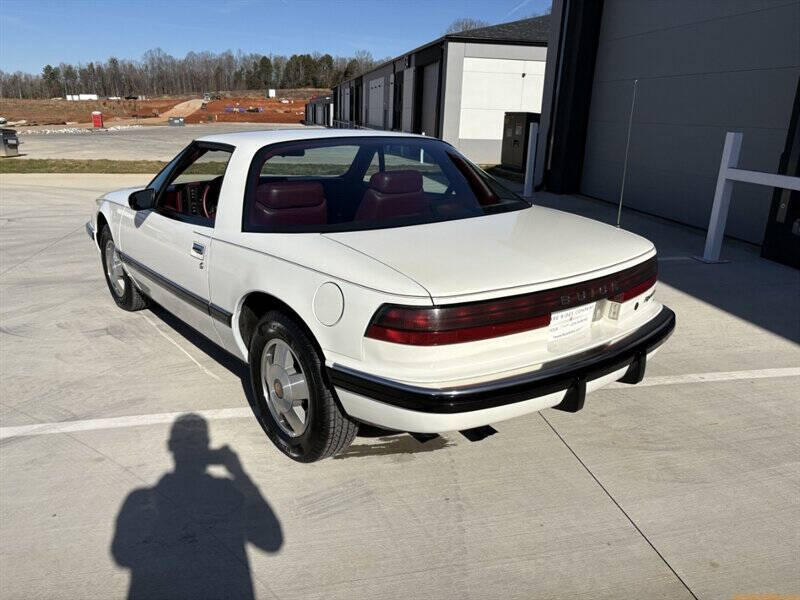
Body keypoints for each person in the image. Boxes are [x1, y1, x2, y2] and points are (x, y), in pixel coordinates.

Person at [111, 414, 282, 599]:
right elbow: (122, 555)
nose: (189, 447)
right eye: (183, 440)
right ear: (171, 446)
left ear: (207, 447)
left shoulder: (228, 490)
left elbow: (270, 541)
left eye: (195, 440)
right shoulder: (143, 498)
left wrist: (239, 474)